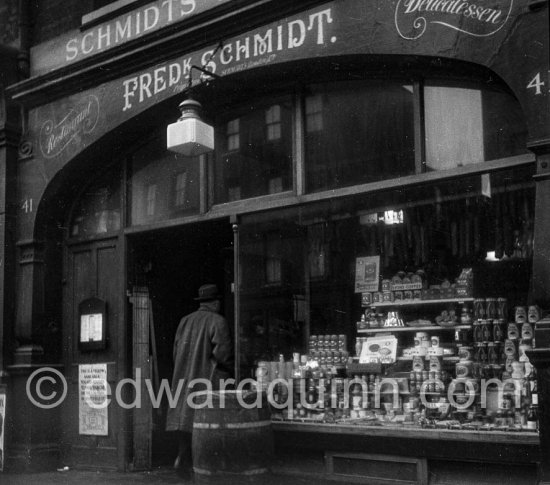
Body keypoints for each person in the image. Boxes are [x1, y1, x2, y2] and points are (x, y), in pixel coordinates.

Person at [165, 283, 234, 479]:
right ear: (216, 302)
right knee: (206, 422)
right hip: (206, 379)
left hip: (184, 378)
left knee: (185, 419)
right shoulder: (218, 321)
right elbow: (223, 355)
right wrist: (230, 374)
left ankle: (182, 456)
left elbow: (175, 351)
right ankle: (201, 463)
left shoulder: (184, 321)